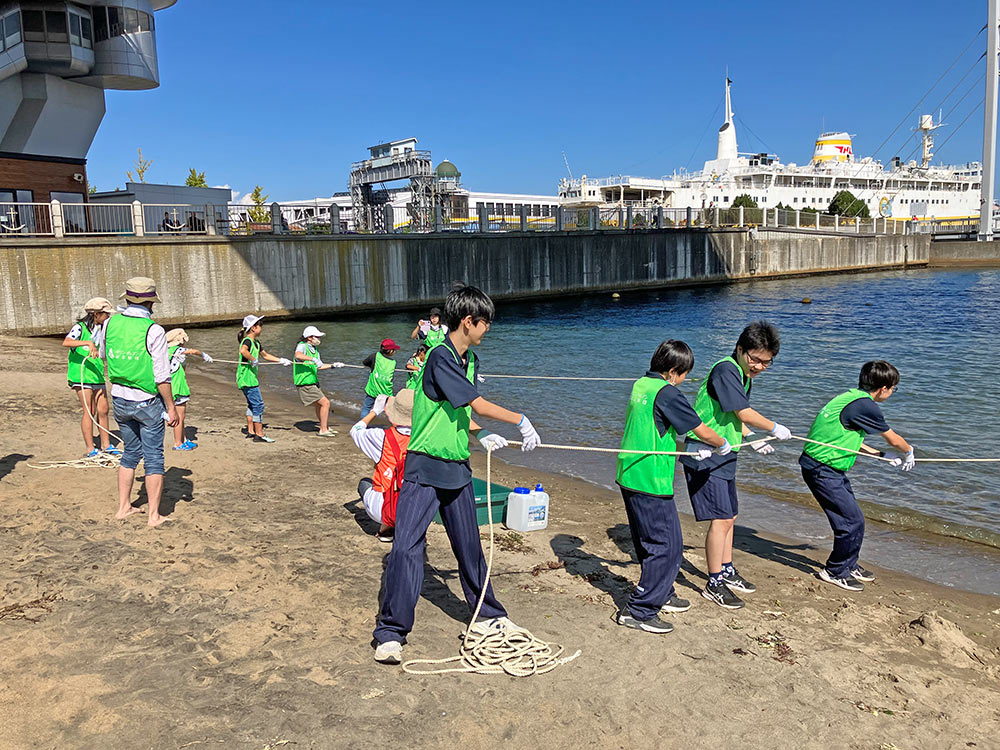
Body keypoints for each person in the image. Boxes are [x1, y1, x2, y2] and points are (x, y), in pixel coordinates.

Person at [372, 285, 542, 665]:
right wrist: (520, 420)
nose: (488, 331)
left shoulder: (470, 361)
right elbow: (475, 402)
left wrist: (484, 435)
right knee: (406, 548)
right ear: (469, 321)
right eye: (485, 324)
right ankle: (391, 632)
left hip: (457, 467)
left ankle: (488, 614)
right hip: (424, 465)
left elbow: (459, 410)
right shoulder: (440, 357)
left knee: (469, 548)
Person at [616, 340, 730, 634]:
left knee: (648, 541)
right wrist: (721, 444)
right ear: (672, 371)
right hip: (650, 479)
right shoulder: (667, 392)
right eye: (684, 374)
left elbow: (654, 428)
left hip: (630, 472)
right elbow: (700, 428)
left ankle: (661, 593)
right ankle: (640, 611)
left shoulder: (641, 385)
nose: (685, 380)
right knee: (667, 546)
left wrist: (689, 449)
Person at [679, 321, 793, 610]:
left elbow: (733, 416)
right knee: (720, 519)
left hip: (725, 451)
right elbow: (742, 410)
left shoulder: (743, 375)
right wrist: (773, 427)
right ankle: (714, 581)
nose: (759, 366)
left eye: (766, 362)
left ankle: (726, 569)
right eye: (755, 359)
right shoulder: (726, 369)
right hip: (705, 452)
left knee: (730, 515)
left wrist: (751, 438)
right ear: (741, 350)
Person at [799, 361, 915, 591]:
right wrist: (909, 451)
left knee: (854, 519)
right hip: (821, 469)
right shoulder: (866, 406)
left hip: (827, 467)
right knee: (851, 522)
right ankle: (835, 571)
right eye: (894, 388)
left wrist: (881, 455)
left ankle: (849, 564)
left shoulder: (850, 398)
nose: (892, 393)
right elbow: (892, 438)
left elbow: (846, 440)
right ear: (883, 388)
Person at [96, 277, 177, 527]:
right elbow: (162, 376)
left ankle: (123, 507)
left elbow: (102, 354)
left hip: (119, 396)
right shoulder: (154, 330)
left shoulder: (109, 323)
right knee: (154, 458)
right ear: (151, 302)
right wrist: (172, 408)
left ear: (128, 298)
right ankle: (153, 515)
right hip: (146, 400)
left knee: (130, 454)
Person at [350, 388, 414, 542]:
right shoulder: (425, 439)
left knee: (364, 483)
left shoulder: (381, 437)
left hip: (383, 509)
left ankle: (385, 530)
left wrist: (374, 411)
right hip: (415, 509)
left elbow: (355, 430)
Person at [63, 297, 118, 457]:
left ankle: (106, 444)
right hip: (81, 375)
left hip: (97, 374)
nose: (108, 317)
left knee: (104, 409)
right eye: (105, 314)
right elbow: (66, 342)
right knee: (90, 410)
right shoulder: (79, 328)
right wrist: (88, 344)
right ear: (96, 314)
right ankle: (90, 448)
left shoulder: (102, 330)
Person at [236, 314, 291, 443]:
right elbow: (243, 351)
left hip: (248, 378)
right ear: (253, 328)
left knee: (252, 404)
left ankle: (251, 431)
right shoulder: (247, 341)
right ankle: (259, 434)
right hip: (247, 379)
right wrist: (253, 359)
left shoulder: (257, 343)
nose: (262, 329)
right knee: (258, 405)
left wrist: (281, 360)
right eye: (260, 326)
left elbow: (265, 355)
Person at [165, 328, 213, 451]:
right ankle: (178, 443)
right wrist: (203, 355)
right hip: (178, 388)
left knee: (181, 416)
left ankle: (183, 439)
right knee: (179, 417)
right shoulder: (178, 351)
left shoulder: (167, 351)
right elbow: (193, 351)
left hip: (172, 386)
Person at [293, 325, 345, 437]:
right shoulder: (302, 346)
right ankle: (323, 430)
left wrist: (333, 365)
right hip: (305, 382)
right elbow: (298, 355)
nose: (319, 339)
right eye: (317, 337)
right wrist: (313, 359)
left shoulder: (315, 350)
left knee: (319, 405)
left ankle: (324, 426)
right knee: (325, 403)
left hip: (313, 381)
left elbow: (319, 366)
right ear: (309, 337)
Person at [361, 338, 400, 418]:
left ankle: (362, 426)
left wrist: (372, 366)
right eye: (394, 349)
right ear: (390, 351)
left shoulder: (375, 356)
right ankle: (394, 426)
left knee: (366, 408)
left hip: (373, 389)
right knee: (389, 410)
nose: (395, 351)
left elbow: (365, 362)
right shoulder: (393, 363)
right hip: (385, 392)